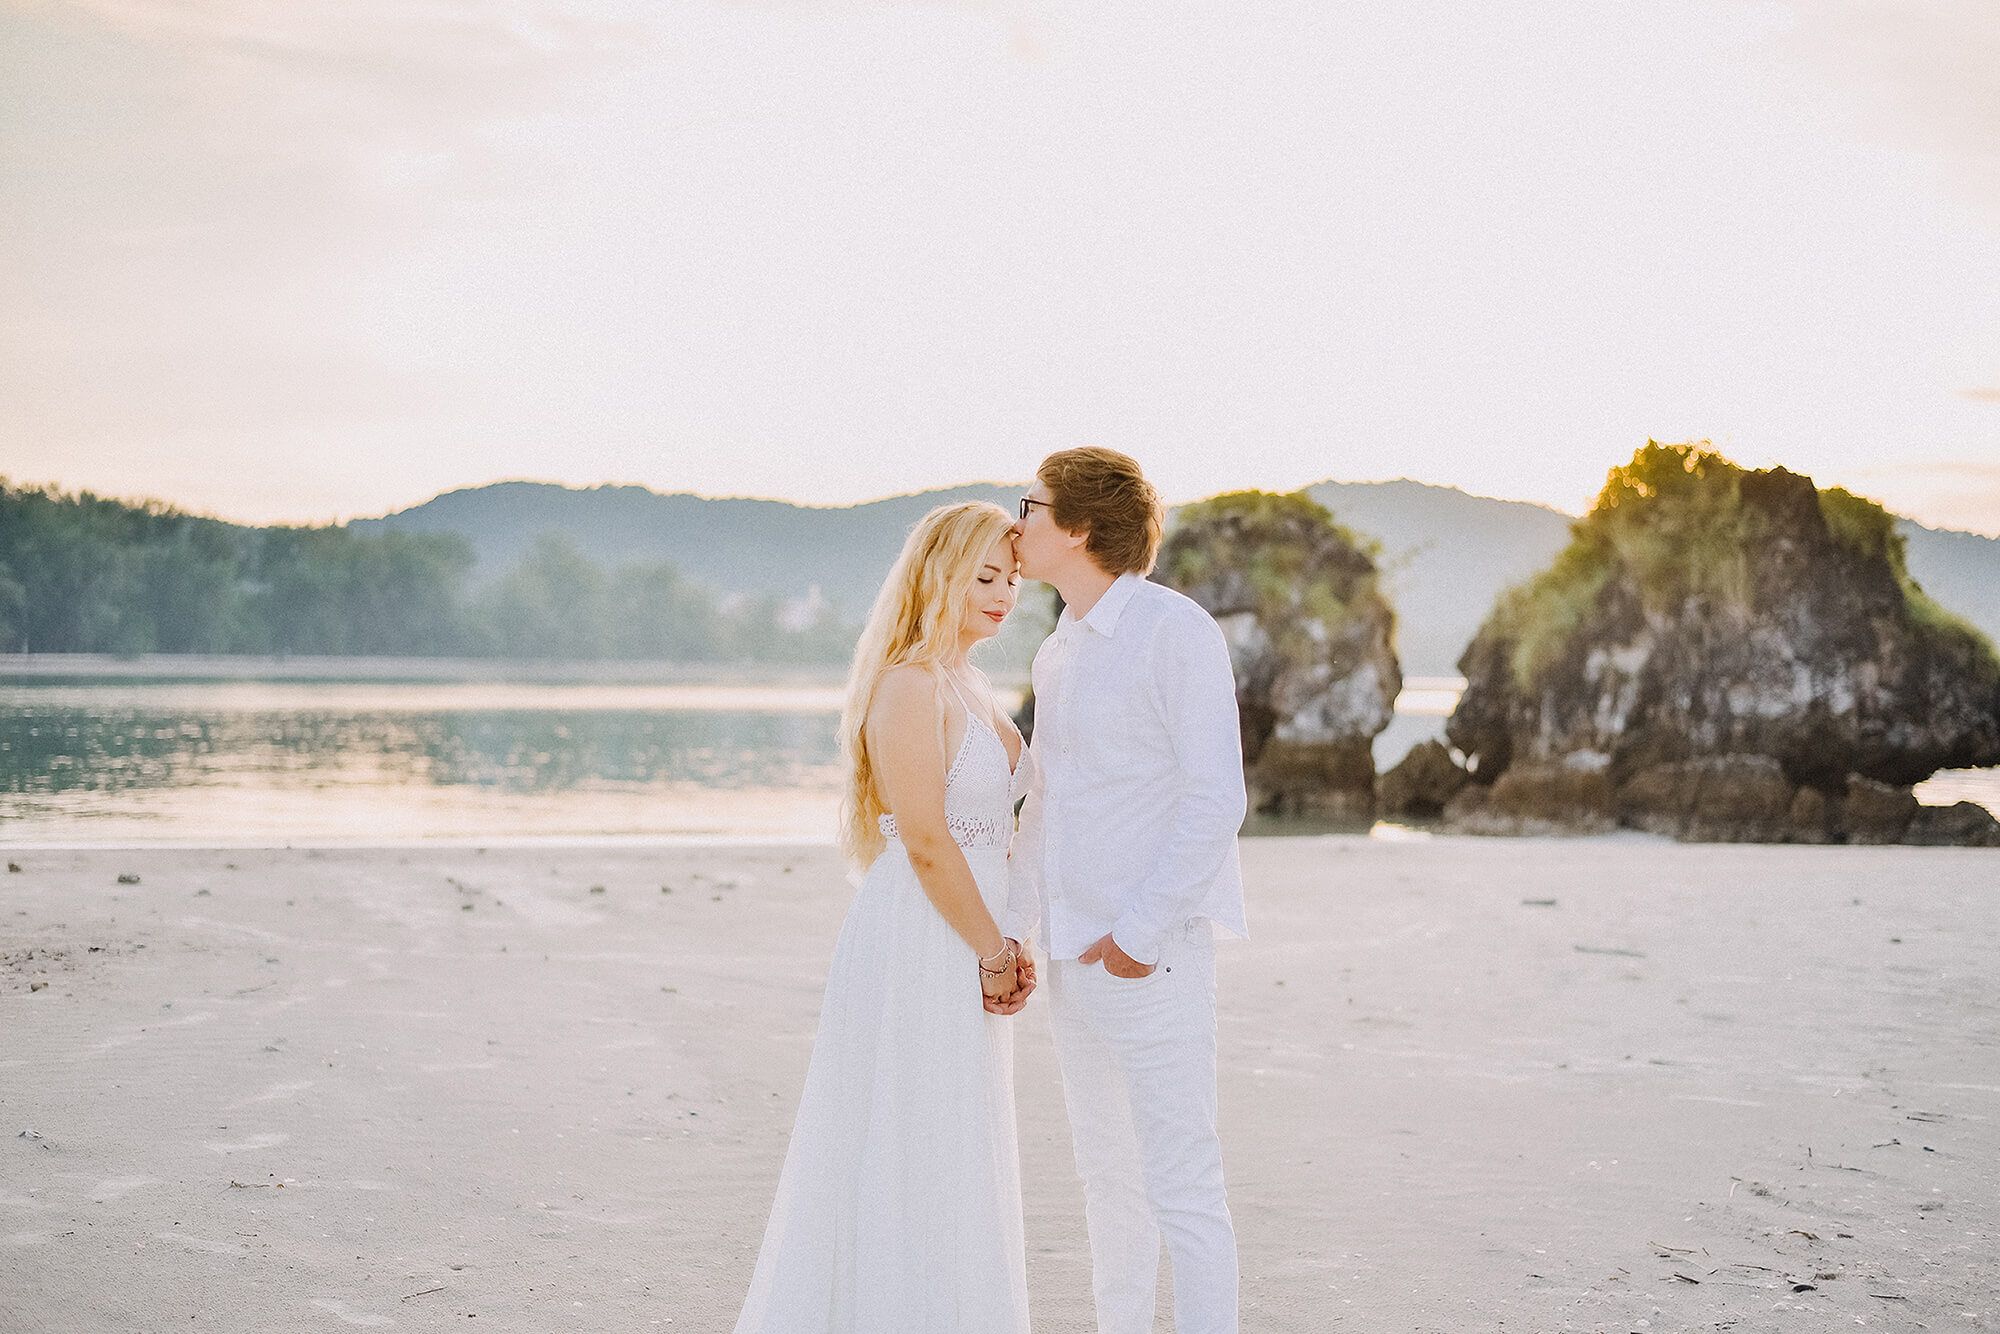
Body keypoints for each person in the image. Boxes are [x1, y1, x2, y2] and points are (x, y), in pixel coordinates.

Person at [733, 500, 1037, 1334]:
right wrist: (989, 951)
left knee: (956, 1140)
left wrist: (1014, 937)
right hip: (925, 935)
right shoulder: (908, 684)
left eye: (1011, 578)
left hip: (974, 928)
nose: (1003, 593)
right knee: (910, 1135)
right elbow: (930, 842)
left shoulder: (969, 684)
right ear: (937, 575)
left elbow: (998, 838)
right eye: (983, 576)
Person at [1007, 447, 1249, 1334]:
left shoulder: (1173, 630)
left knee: (1183, 1183)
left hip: (1153, 959)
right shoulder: (1058, 650)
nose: (1016, 522)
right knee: (1108, 1180)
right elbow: (1047, 808)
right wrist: (1019, 932)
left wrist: (1141, 936)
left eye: (1029, 506)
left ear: (1076, 526)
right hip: (1072, 958)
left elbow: (1216, 796)